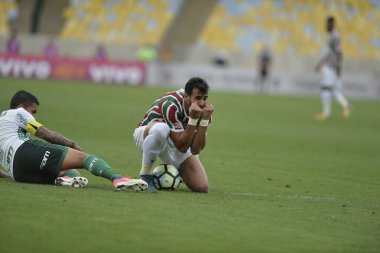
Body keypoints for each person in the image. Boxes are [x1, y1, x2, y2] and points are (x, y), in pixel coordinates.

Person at [0, 90, 147, 191]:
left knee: (69, 171)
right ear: (21, 106)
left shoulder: (3, 121)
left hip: (17, 173)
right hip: (22, 152)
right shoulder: (18, 112)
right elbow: (44, 134)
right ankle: (119, 179)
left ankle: (64, 181)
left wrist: (7, 175)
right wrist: (72, 145)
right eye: (33, 112)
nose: (33, 116)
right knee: (84, 158)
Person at [133, 77, 213, 193]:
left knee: (201, 187)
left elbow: (195, 149)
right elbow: (181, 147)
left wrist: (204, 121)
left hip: (176, 139)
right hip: (146, 135)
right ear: (186, 97)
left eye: (204, 98)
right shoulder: (172, 105)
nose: (201, 103)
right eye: (197, 98)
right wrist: (193, 120)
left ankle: (176, 173)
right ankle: (145, 175)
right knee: (162, 129)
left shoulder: (205, 113)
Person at [314, 16, 350, 121]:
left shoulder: (334, 36)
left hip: (332, 67)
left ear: (332, 24)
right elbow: (329, 53)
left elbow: (339, 52)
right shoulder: (331, 35)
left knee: (325, 89)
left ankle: (326, 113)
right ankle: (346, 105)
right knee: (332, 90)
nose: (326, 26)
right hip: (329, 66)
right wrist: (320, 64)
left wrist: (338, 67)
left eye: (327, 24)